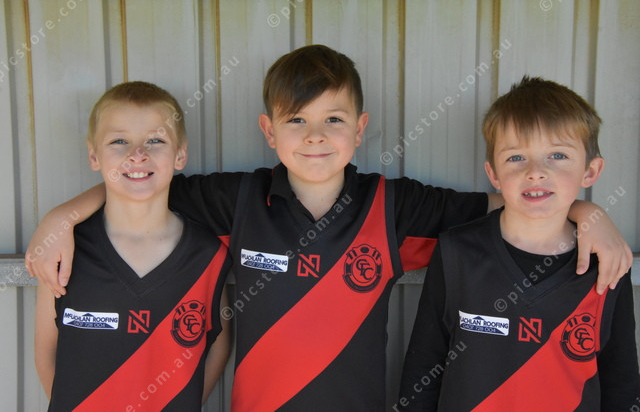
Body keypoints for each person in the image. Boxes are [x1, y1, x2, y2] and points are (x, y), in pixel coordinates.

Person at [27, 46, 632, 410]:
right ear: (269, 131)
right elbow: (140, 181)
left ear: (360, 128)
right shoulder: (238, 200)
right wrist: (61, 217)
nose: (315, 137)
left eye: (334, 120)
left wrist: (589, 213)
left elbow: (518, 197)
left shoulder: (394, 207)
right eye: (297, 120)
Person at [397, 76, 640, 410]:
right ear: (493, 174)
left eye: (557, 155)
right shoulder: (457, 252)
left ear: (590, 171)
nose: (535, 172)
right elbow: (424, 367)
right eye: (516, 158)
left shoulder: (607, 262)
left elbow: (621, 380)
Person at [34, 81, 232, 410]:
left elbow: (217, 345)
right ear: (94, 155)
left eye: (155, 140)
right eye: (119, 141)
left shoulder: (207, 255)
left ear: (180, 154)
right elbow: (46, 351)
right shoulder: (65, 250)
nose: (138, 154)